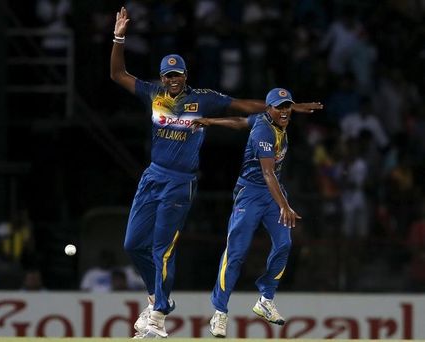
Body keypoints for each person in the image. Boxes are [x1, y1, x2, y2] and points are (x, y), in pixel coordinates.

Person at [111, 6, 322, 339]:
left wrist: (289, 107)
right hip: (152, 176)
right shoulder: (154, 94)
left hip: (180, 182)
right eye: (168, 75)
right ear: (161, 77)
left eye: (177, 74)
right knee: (132, 243)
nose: (172, 80)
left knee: (161, 248)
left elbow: (241, 107)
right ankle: (155, 301)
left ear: (185, 75)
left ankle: (160, 315)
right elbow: (118, 75)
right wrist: (119, 37)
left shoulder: (203, 100)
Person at [191, 88, 301, 338]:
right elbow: (267, 173)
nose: (284, 111)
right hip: (251, 193)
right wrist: (284, 205)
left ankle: (266, 299)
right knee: (237, 253)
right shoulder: (264, 130)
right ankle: (219, 311)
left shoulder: (266, 121)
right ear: (269, 109)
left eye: (287, 106)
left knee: (284, 243)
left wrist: (210, 121)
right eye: (279, 107)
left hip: (272, 193)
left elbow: (241, 121)